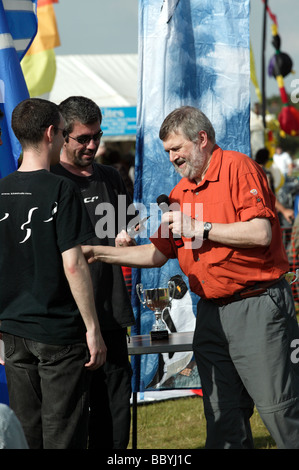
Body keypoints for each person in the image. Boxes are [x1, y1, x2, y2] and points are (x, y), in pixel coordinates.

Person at [82, 106, 299, 449]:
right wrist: (97, 253)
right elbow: (155, 254)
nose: (172, 158)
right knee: (221, 415)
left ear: (202, 139)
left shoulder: (238, 168)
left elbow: (260, 233)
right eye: (167, 151)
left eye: (177, 148)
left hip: (256, 306)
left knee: (281, 411)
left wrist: (202, 228)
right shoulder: (181, 192)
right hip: (210, 313)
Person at [0, 98, 106, 449]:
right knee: (64, 434)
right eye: (63, 132)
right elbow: (73, 263)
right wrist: (93, 328)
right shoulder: (61, 188)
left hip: (13, 332)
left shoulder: (1, 192)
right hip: (58, 333)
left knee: (27, 433)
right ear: (50, 133)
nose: (63, 139)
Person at [51, 96, 135, 449]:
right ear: (61, 136)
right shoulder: (49, 181)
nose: (92, 145)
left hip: (111, 314)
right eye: (82, 139)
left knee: (114, 412)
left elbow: (127, 228)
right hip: (66, 321)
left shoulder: (110, 177)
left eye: (97, 136)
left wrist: (128, 235)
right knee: (69, 418)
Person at [254, 147, 294, 224]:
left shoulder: (251, 168)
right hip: (266, 213)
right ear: (266, 159)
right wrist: (283, 210)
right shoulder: (264, 173)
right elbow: (268, 194)